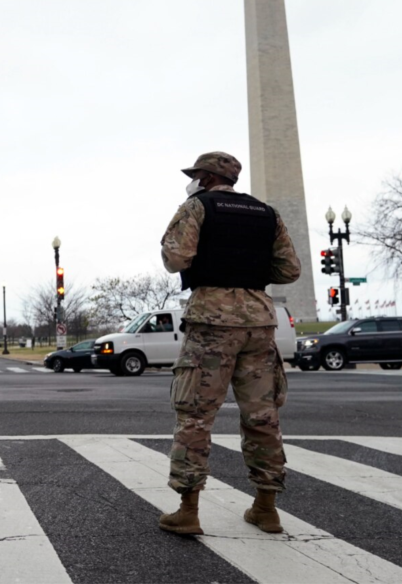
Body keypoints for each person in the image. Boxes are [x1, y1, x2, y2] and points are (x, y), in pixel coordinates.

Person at [158, 151, 300, 536]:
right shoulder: (267, 213)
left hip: (211, 321)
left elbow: (176, 258)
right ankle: (266, 508)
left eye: (194, 175)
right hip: (259, 320)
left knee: (196, 414)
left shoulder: (198, 207)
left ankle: (188, 510)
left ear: (204, 178)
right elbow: (290, 269)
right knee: (262, 415)